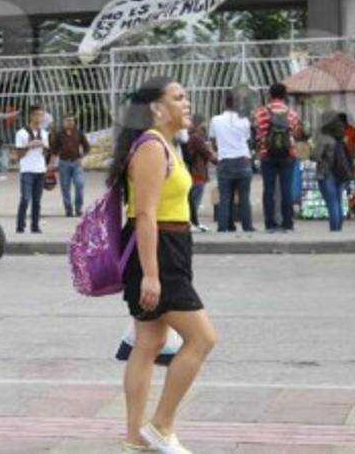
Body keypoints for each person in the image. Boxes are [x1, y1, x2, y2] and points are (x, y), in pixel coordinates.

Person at [112, 77, 215, 453]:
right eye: (178, 97)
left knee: (149, 342)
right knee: (202, 338)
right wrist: (151, 274)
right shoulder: (152, 147)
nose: (186, 103)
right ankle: (161, 426)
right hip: (158, 250)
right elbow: (145, 215)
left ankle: (134, 439)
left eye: (186, 96)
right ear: (157, 108)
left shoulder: (165, 143)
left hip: (171, 245)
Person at [253, 82, 303, 233]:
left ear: (270, 95)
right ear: (285, 95)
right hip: (288, 155)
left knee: (268, 189)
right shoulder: (292, 113)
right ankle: (288, 222)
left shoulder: (261, 112)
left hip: (267, 154)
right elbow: (295, 133)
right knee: (286, 189)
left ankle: (270, 223)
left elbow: (258, 134)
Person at [209, 92, 254, 232]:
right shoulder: (244, 120)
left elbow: (212, 139)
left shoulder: (215, 120)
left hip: (225, 160)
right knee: (244, 197)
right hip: (243, 160)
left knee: (224, 197)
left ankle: (223, 227)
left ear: (225, 103)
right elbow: (247, 138)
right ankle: (247, 226)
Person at [313, 115, 354, 232]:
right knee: (338, 202)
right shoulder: (341, 138)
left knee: (332, 203)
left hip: (326, 173)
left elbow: (315, 156)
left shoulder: (324, 138)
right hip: (340, 173)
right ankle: (338, 229)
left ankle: (334, 230)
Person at [14, 106, 49, 233]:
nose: (39, 118)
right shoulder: (21, 133)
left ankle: (35, 225)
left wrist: (44, 146)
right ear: (31, 116)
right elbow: (18, 155)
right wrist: (29, 145)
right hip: (27, 169)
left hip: (40, 169)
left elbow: (46, 154)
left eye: (41, 115)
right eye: (36, 115)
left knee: (37, 200)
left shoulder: (44, 133)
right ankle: (20, 225)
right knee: (25, 198)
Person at [181, 114, 216, 233]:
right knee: (194, 201)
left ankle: (191, 222)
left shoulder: (189, 136)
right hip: (197, 173)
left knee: (192, 200)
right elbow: (207, 154)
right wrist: (219, 161)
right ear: (199, 124)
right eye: (204, 123)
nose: (205, 125)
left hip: (192, 172)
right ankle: (192, 223)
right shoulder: (196, 137)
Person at [50, 114, 91, 216]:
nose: (70, 123)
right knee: (65, 187)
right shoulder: (59, 134)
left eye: (72, 121)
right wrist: (51, 164)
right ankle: (68, 209)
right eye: (67, 121)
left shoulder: (79, 133)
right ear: (63, 122)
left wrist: (81, 158)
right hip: (63, 163)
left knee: (79, 184)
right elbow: (54, 151)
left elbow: (87, 148)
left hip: (76, 163)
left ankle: (78, 208)